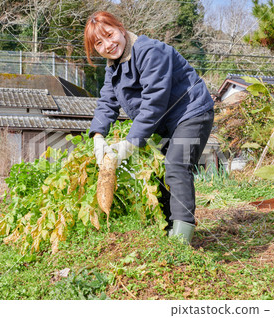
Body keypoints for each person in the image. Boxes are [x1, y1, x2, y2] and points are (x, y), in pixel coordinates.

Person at [85, 11, 214, 243]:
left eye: (110, 35)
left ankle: (182, 237)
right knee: (159, 172)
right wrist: (97, 135)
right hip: (165, 123)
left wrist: (131, 142)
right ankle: (169, 229)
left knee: (176, 165)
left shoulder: (150, 51)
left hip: (192, 112)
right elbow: (107, 101)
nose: (108, 45)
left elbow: (154, 103)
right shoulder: (112, 67)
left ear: (121, 29)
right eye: (99, 43)